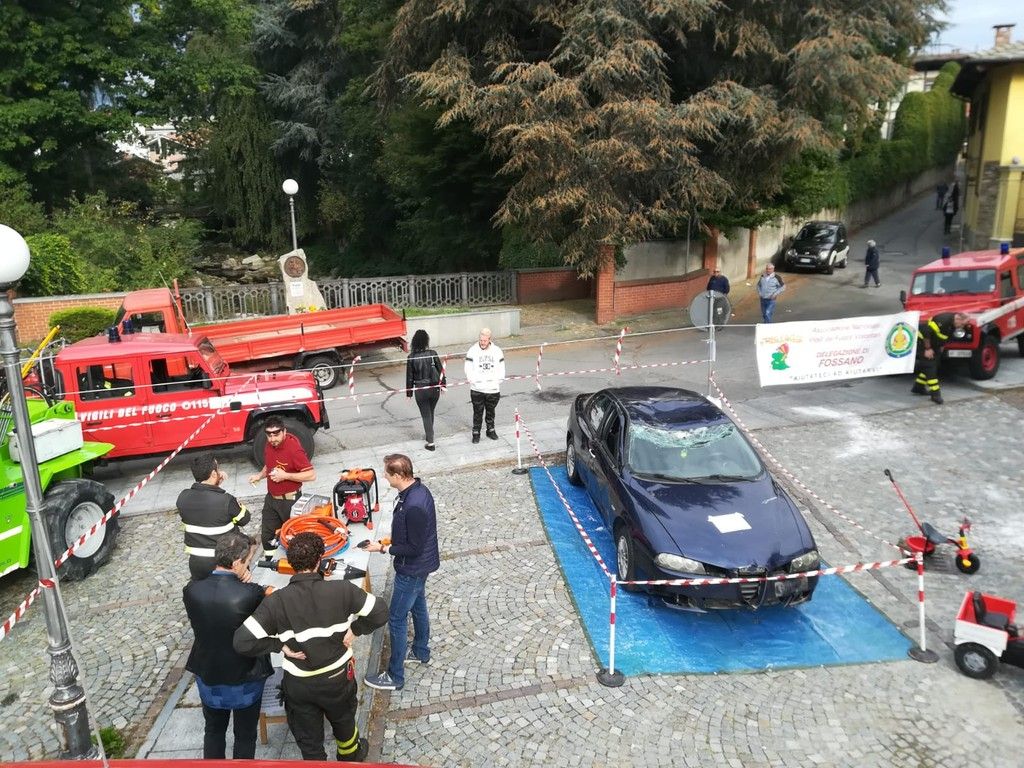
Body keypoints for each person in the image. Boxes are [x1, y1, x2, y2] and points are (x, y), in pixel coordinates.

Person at [233, 532, 388, 762]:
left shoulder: (276, 602)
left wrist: (278, 645)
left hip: (299, 685)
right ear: (319, 560)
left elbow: (242, 641)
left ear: (291, 563)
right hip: (337, 679)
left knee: (309, 742)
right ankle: (351, 756)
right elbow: (381, 611)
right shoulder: (342, 590)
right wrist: (356, 629)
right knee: (344, 722)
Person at [183, 532, 272, 760]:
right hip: (245, 675)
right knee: (245, 735)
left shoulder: (191, 590)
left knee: (213, 730)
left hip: (209, 672)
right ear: (236, 563)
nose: (249, 564)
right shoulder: (250, 593)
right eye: (248, 560)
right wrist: (250, 584)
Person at [363, 453, 440, 692]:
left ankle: (395, 676)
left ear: (398, 475)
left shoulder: (414, 504)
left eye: (387, 473)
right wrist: (392, 539)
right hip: (419, 567)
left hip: (412, 568)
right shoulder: (417, 491)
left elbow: (414, 548)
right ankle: (420, 651)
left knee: (396, 618)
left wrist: (383, 548)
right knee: (418, 607)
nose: (384, 477)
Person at [247, 416, 316, 559]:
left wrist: (285, 476)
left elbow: (311, 475)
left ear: (284, 432)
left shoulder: (294, 449)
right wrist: (259, 476)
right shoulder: (269, 445)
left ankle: (297, 562)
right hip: (271, 499)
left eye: (276, 434)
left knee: (294, 536)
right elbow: (269, 465)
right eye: (269, 435)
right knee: (268, 536)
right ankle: (270, 562)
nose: (272, 439)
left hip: (290, 501)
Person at [177, 454, 251, 581]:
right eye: (218, 469)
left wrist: (214, 486)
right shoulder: (226, 500)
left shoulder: (182, 497)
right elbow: (244, 519)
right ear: (213, 474)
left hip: (197, 563)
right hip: (225, 561)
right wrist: (217, 488)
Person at [912, 312, 969, 405]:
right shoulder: (943, 320)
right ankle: (935, 394)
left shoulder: (953, 323)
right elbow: (926, 332)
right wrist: (928, 349)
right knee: (929, 367)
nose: (962, 327)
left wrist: (942, 345)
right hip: (923, 342)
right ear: (958, 319)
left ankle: (918, 387)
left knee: (933, 365)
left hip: (935, 343)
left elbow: (944, 335)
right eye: (962, 324)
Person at [406, 329, 446, 451]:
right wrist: (443, 385)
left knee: (426, 415)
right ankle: (429, 435)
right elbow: (441, 371)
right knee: (430, 412)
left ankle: (431, 442)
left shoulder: (411, 357)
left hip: (420, 389)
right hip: (434, 388)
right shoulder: (433, 353)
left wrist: (409, 393)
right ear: (426, 341)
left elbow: (410, 377)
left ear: (414, 342)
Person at [464, 328, 505, 443]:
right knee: (477, 412)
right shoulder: (472, 350)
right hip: (477, 389)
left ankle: (490, 430)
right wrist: (472, 380)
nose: (482, 343)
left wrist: (498, 380)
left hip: (492, 389)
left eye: (485, 341)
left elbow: (501, 368)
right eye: (481, 340)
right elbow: (468, 367)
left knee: (491, 411)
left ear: (489, 339)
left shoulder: (497, 351)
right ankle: (476, 433)